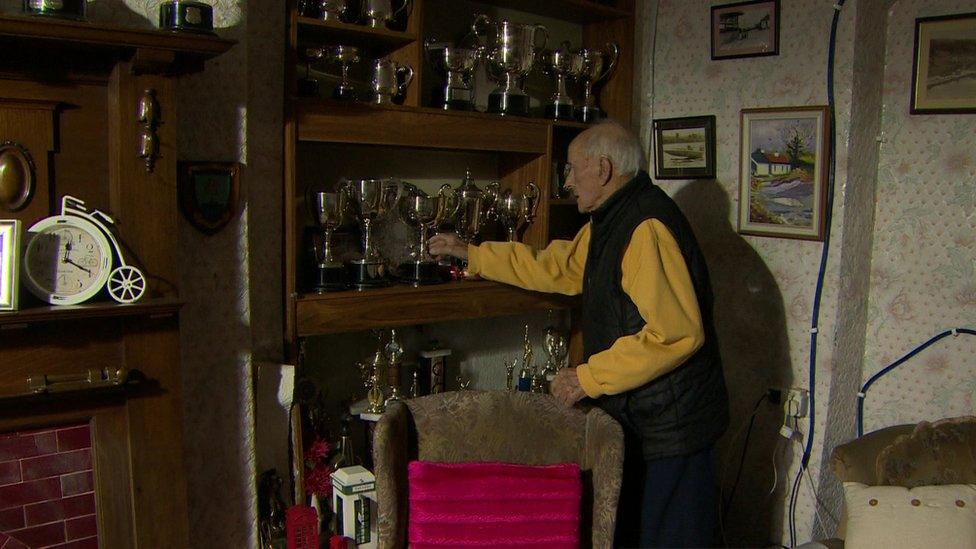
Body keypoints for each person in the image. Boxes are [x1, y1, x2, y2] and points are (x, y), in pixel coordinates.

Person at [428, 120, 729, 548]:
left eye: (571, 169)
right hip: (646, 419)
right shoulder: (612, 217)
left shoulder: (645, 227)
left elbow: (676, 333)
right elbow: (560, 266)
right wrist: (473, 254)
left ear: (603, 169)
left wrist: (587, 377)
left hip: (673, 427)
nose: (567, 182)